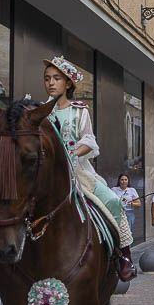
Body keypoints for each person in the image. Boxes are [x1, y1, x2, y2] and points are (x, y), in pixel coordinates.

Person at [43, 57, 136, 282]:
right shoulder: (40, 111)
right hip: (45, 174)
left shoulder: (79, 111)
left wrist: (72, 153)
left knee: (113, 202)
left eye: (56, 78)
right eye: (47, 79)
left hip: (78, 173)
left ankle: (122, 256)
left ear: (68, 83)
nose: (51, 83)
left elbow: (89, 140)